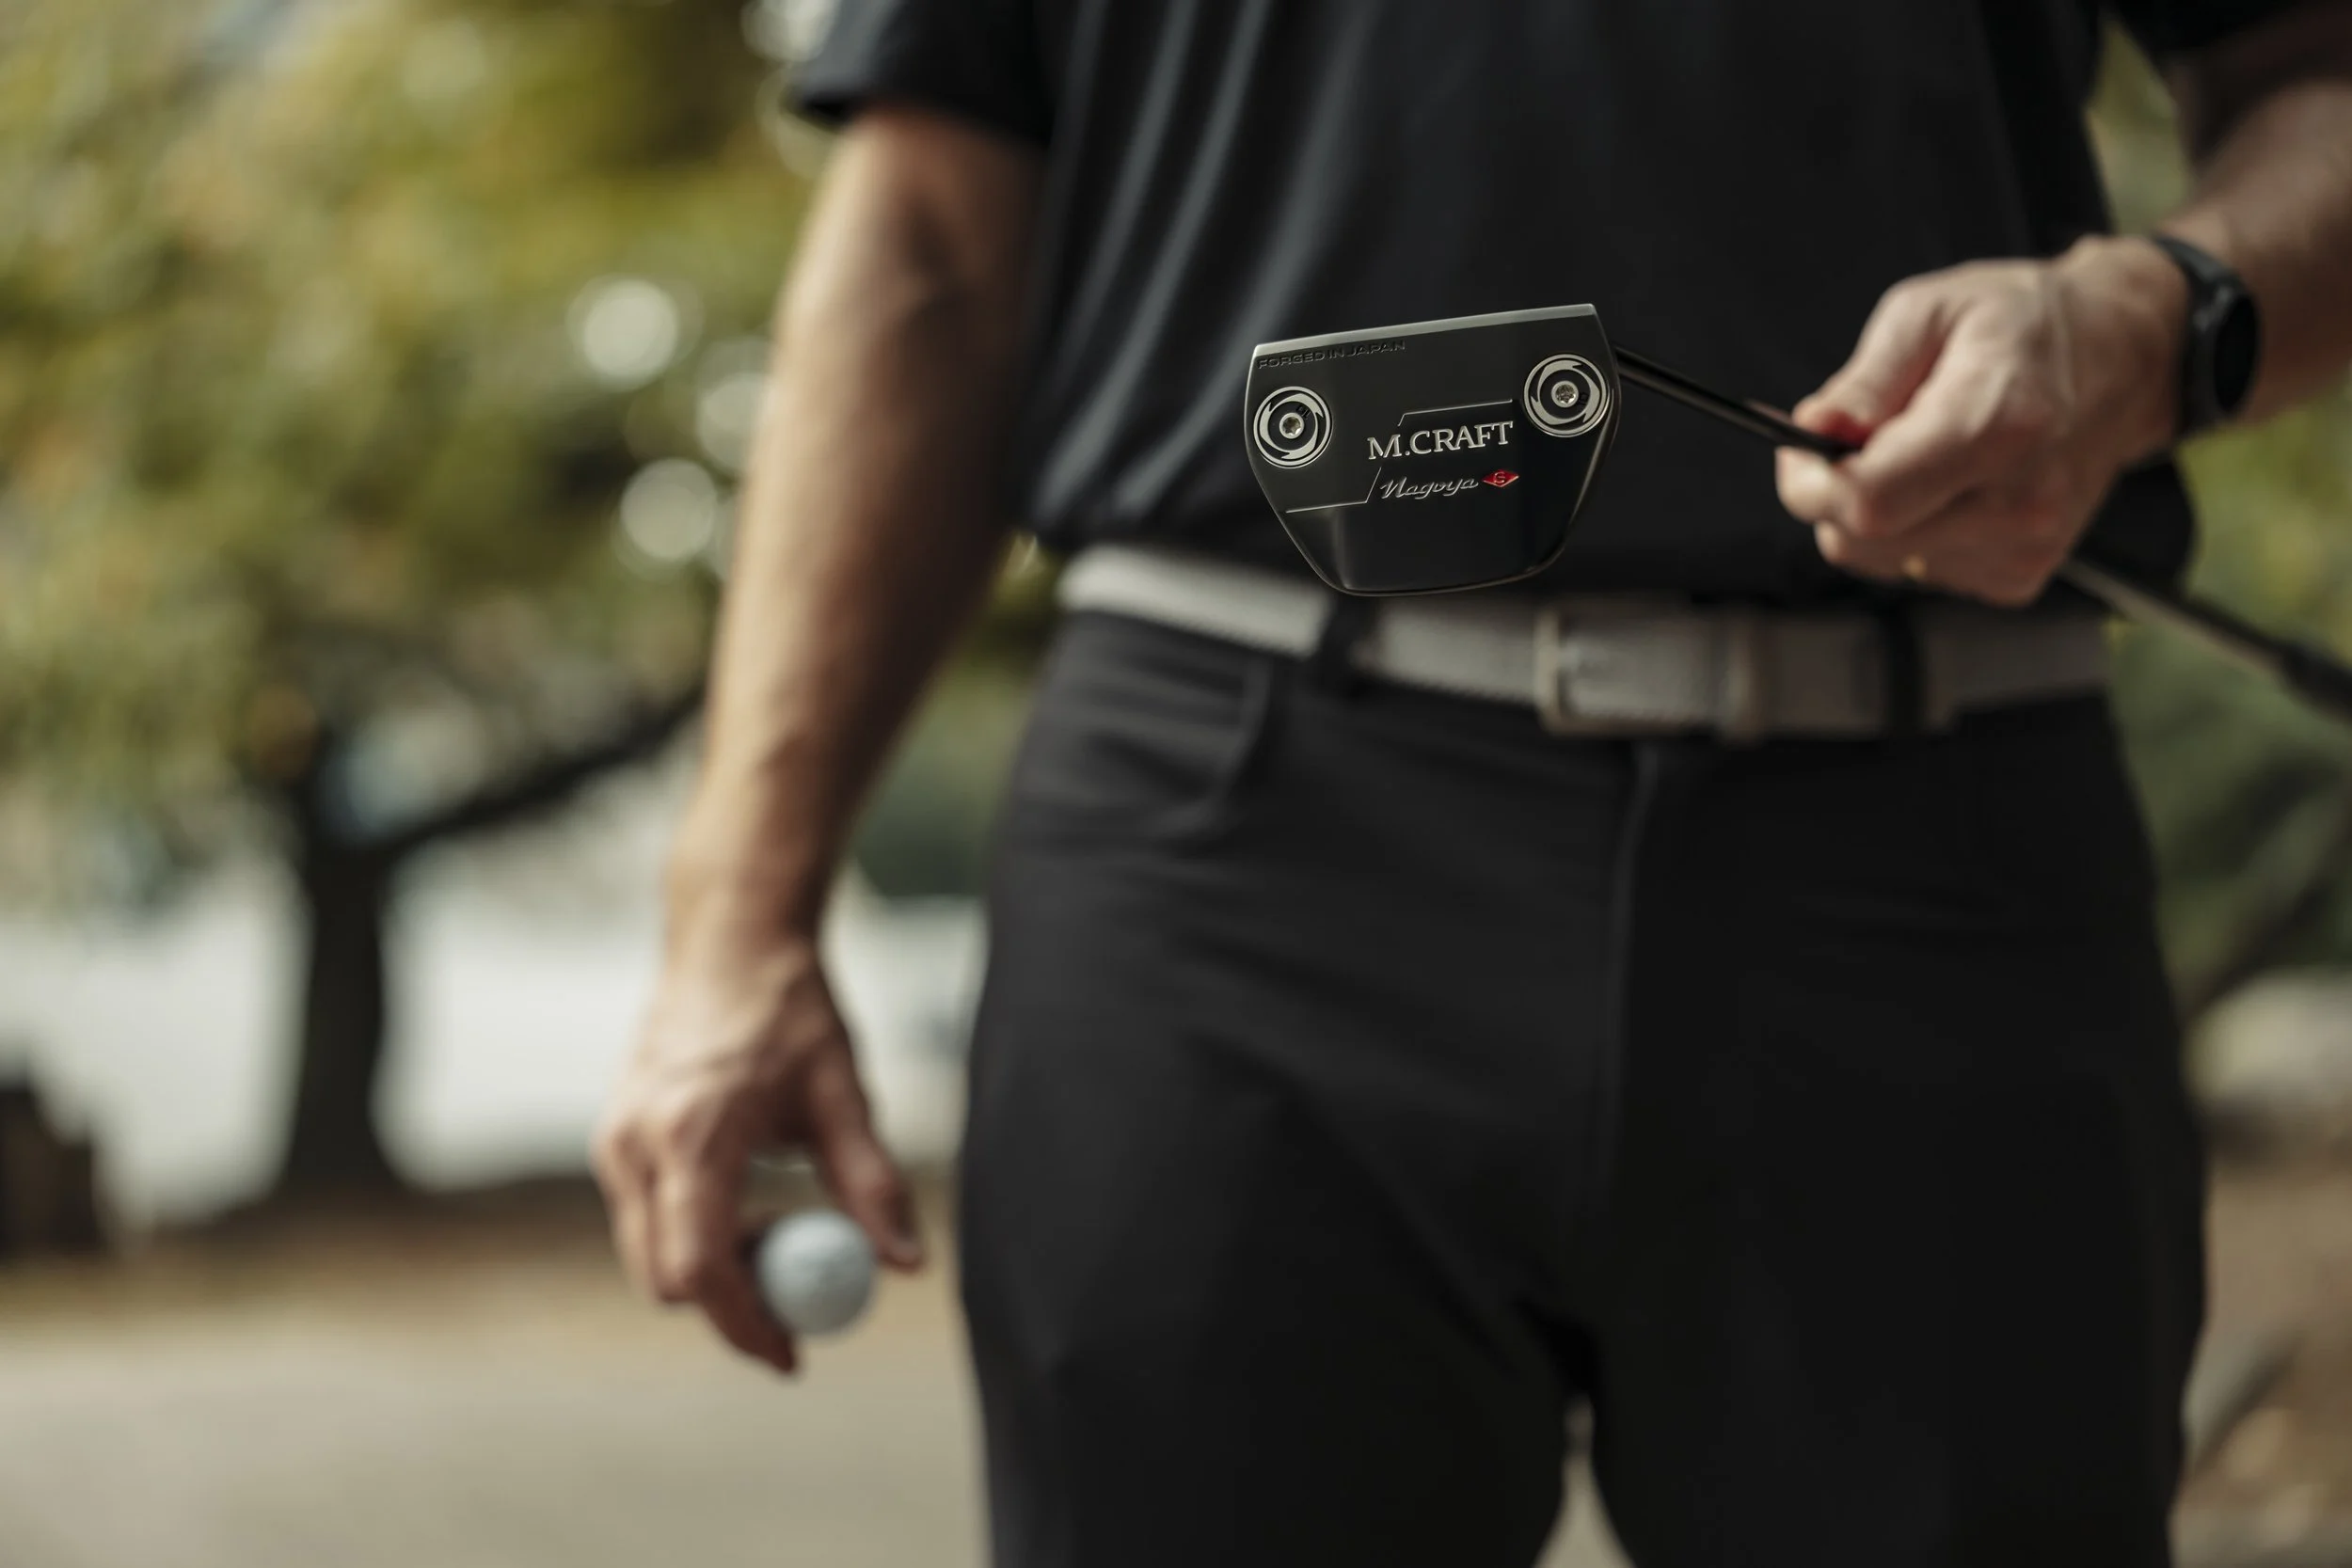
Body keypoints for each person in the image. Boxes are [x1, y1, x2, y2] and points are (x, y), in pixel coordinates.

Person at [594, 1, 2352, 1561]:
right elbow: (927, 238)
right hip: (1228, 862)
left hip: (1928, 852)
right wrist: (732, 912)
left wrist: (2150, 316)